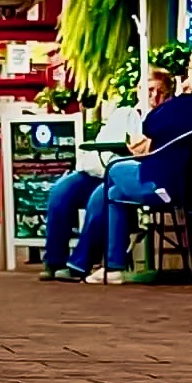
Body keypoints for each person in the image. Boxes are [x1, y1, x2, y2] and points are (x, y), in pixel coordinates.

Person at [59, 44, 192, 283]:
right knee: (112, 192)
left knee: (115, 169)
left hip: (166, 189)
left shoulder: (181, 106)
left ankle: (102, 264)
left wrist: (180, 95)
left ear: (191, 72)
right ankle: (108, 265)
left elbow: (149, 125)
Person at [41, 73, 174, 279]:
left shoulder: (165, 119)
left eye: (159, 92)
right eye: (147, 90)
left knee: (101, 195)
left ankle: (79, 265)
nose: (153, 96)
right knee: (62, 190)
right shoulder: (124, 114)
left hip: (131, 176)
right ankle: (53, 261)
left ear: (168, 95)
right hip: (100, 169)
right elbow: (98, 148)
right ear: (137, 92)